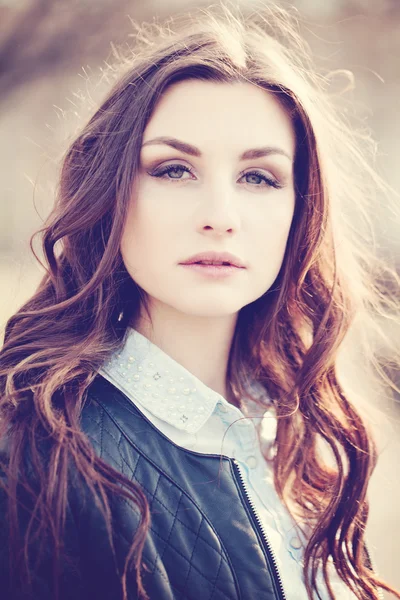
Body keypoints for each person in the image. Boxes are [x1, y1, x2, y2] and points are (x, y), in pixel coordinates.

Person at [0, 2, 399, 599]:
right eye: (173, 170)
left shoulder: (303, 440)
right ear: (110, 195)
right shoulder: (35, 457)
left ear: (300, 212)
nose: (220, 217)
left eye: (259, 177)